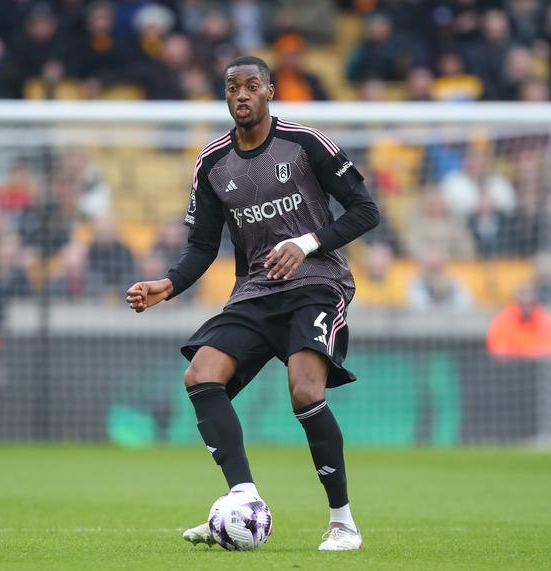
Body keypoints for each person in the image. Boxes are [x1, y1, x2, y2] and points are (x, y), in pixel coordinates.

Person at [126, 55, 379, 551]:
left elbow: (365, 210)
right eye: (232, 87)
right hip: (256, 292)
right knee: (200, 375)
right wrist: (168, 285)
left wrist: (306, 243)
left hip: (316, 283)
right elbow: (202, 247)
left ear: (269, 92)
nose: (241, 95)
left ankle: (343, 523)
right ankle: (243, 501)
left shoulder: (306, 144)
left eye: (251, 86)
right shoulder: (212, 163)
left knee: (305, 390)